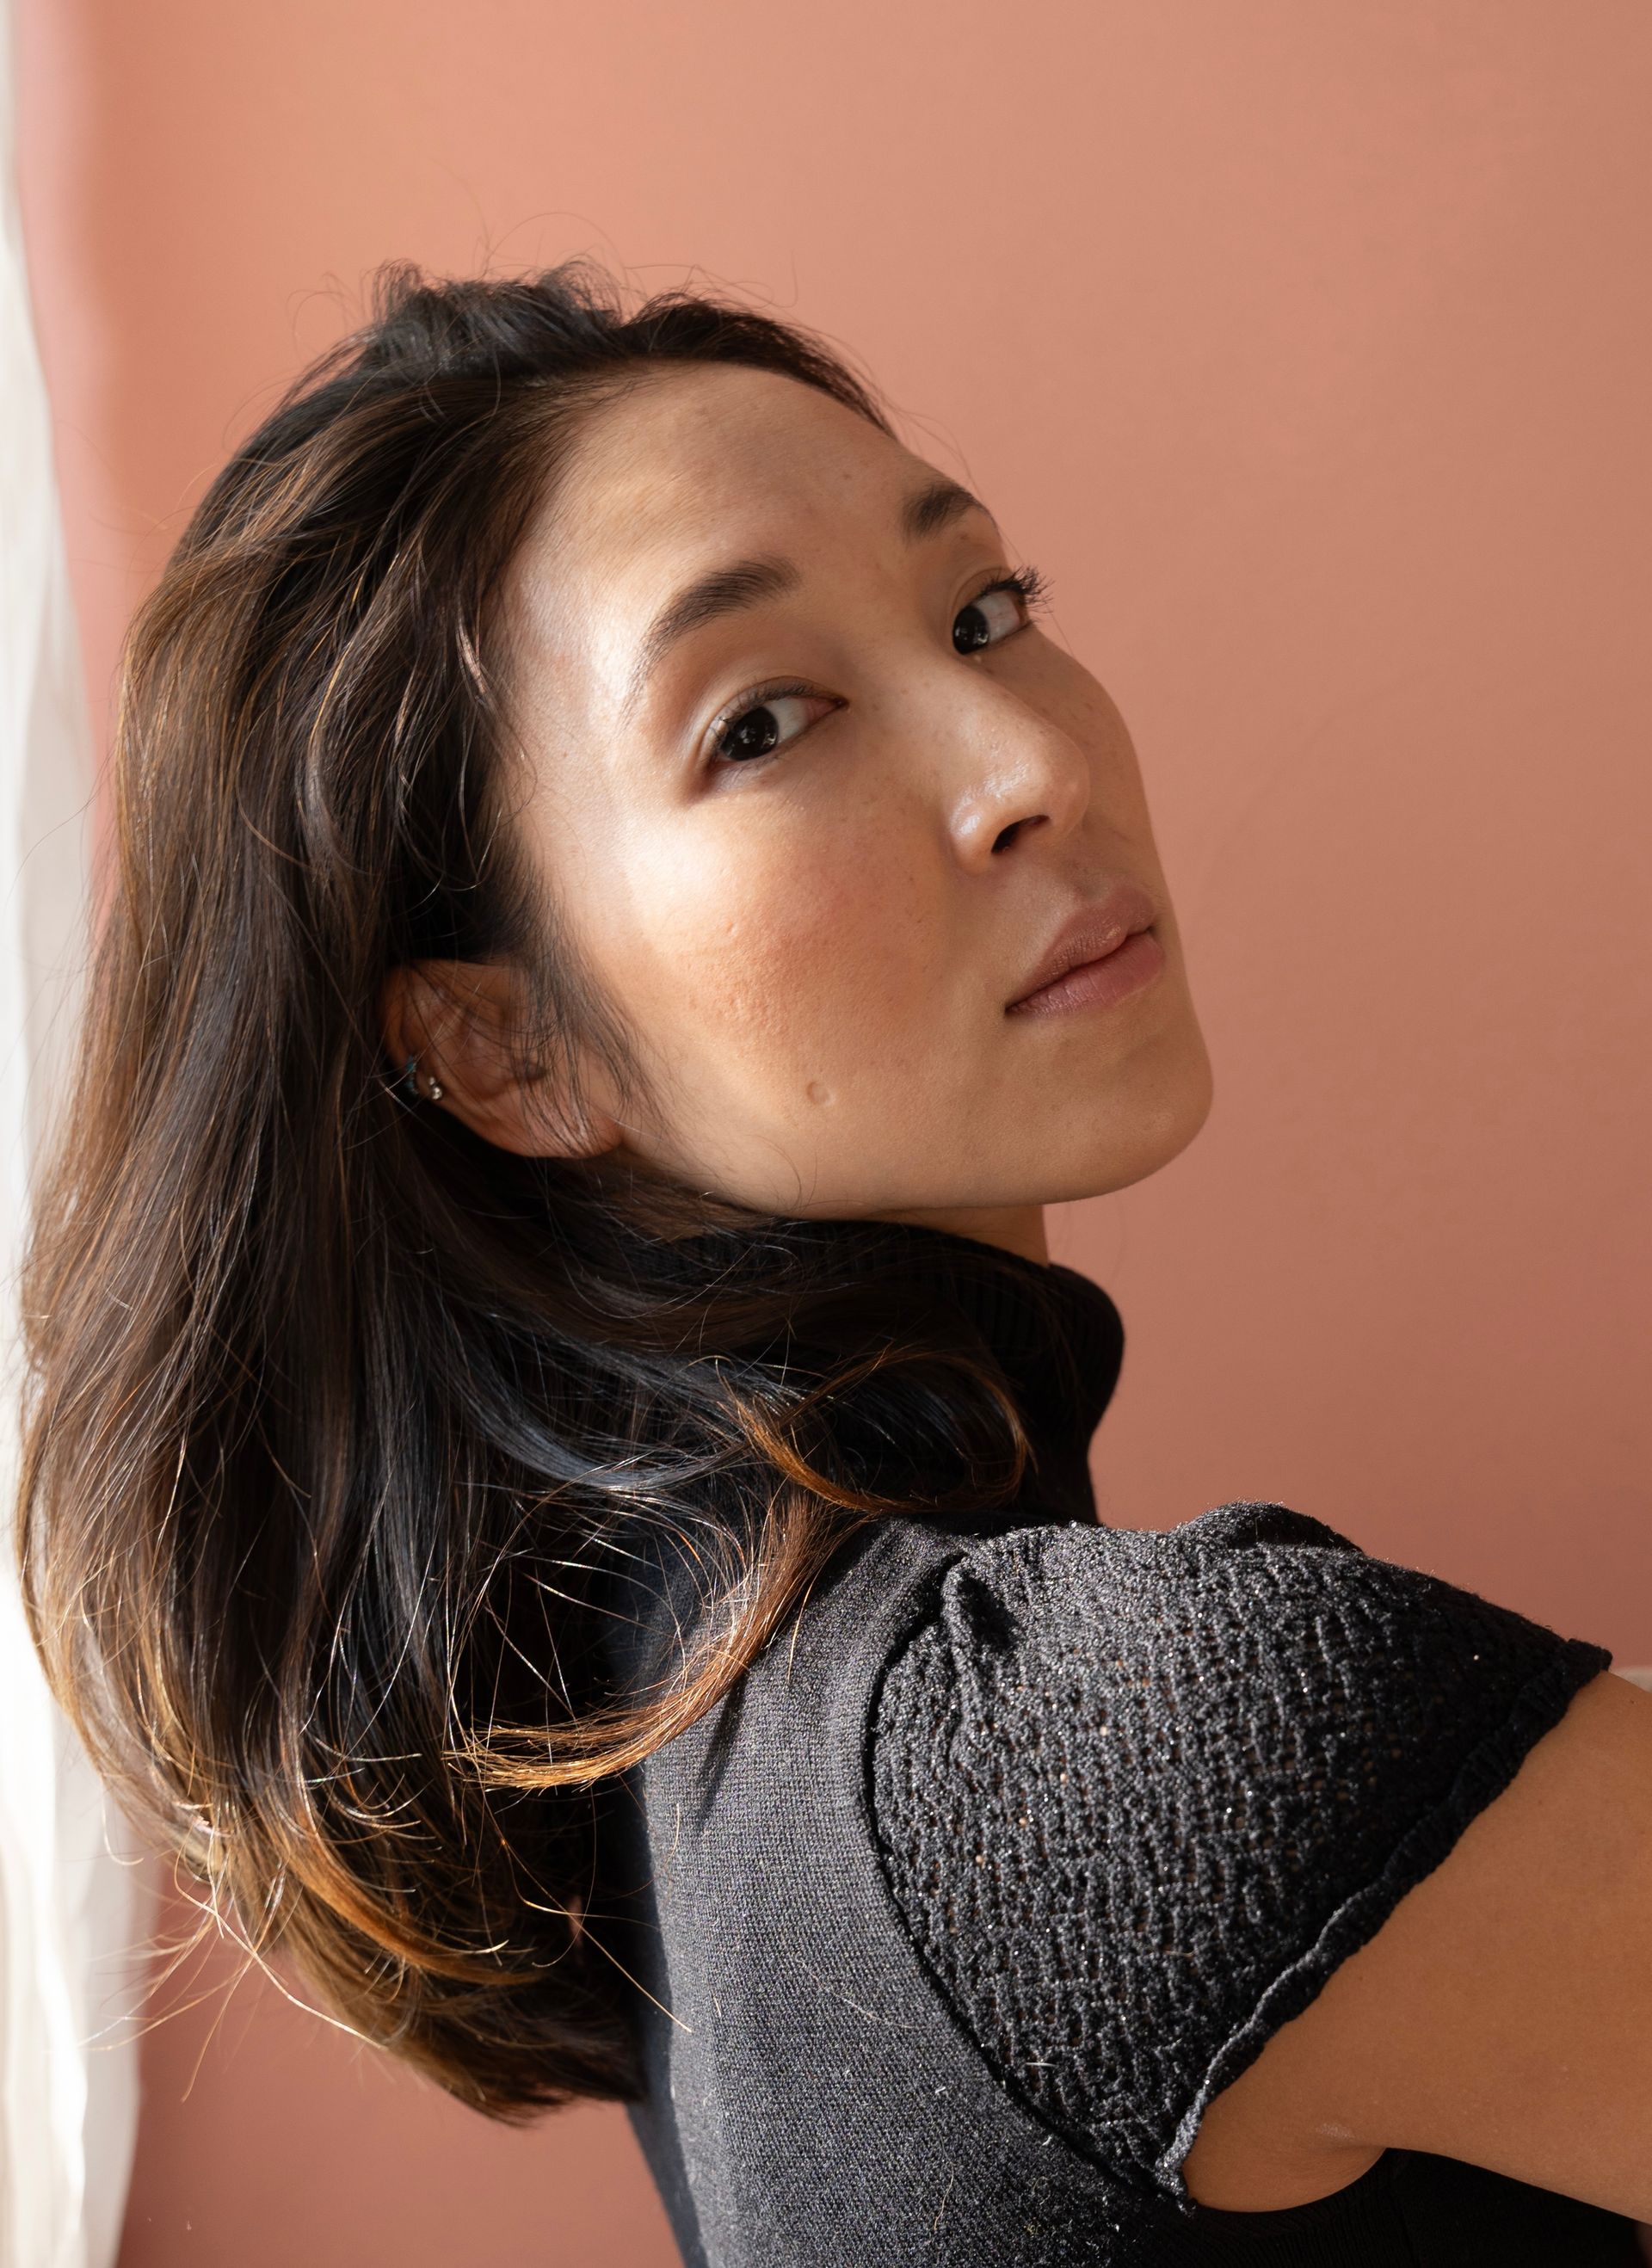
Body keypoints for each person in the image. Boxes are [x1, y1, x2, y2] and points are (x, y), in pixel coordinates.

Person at [16, 263, 1652, 2266]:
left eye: (985, 611)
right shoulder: (1107, 1766)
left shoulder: (675, 1738)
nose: (1024, 758)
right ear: (500, 1042)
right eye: (763, 722)